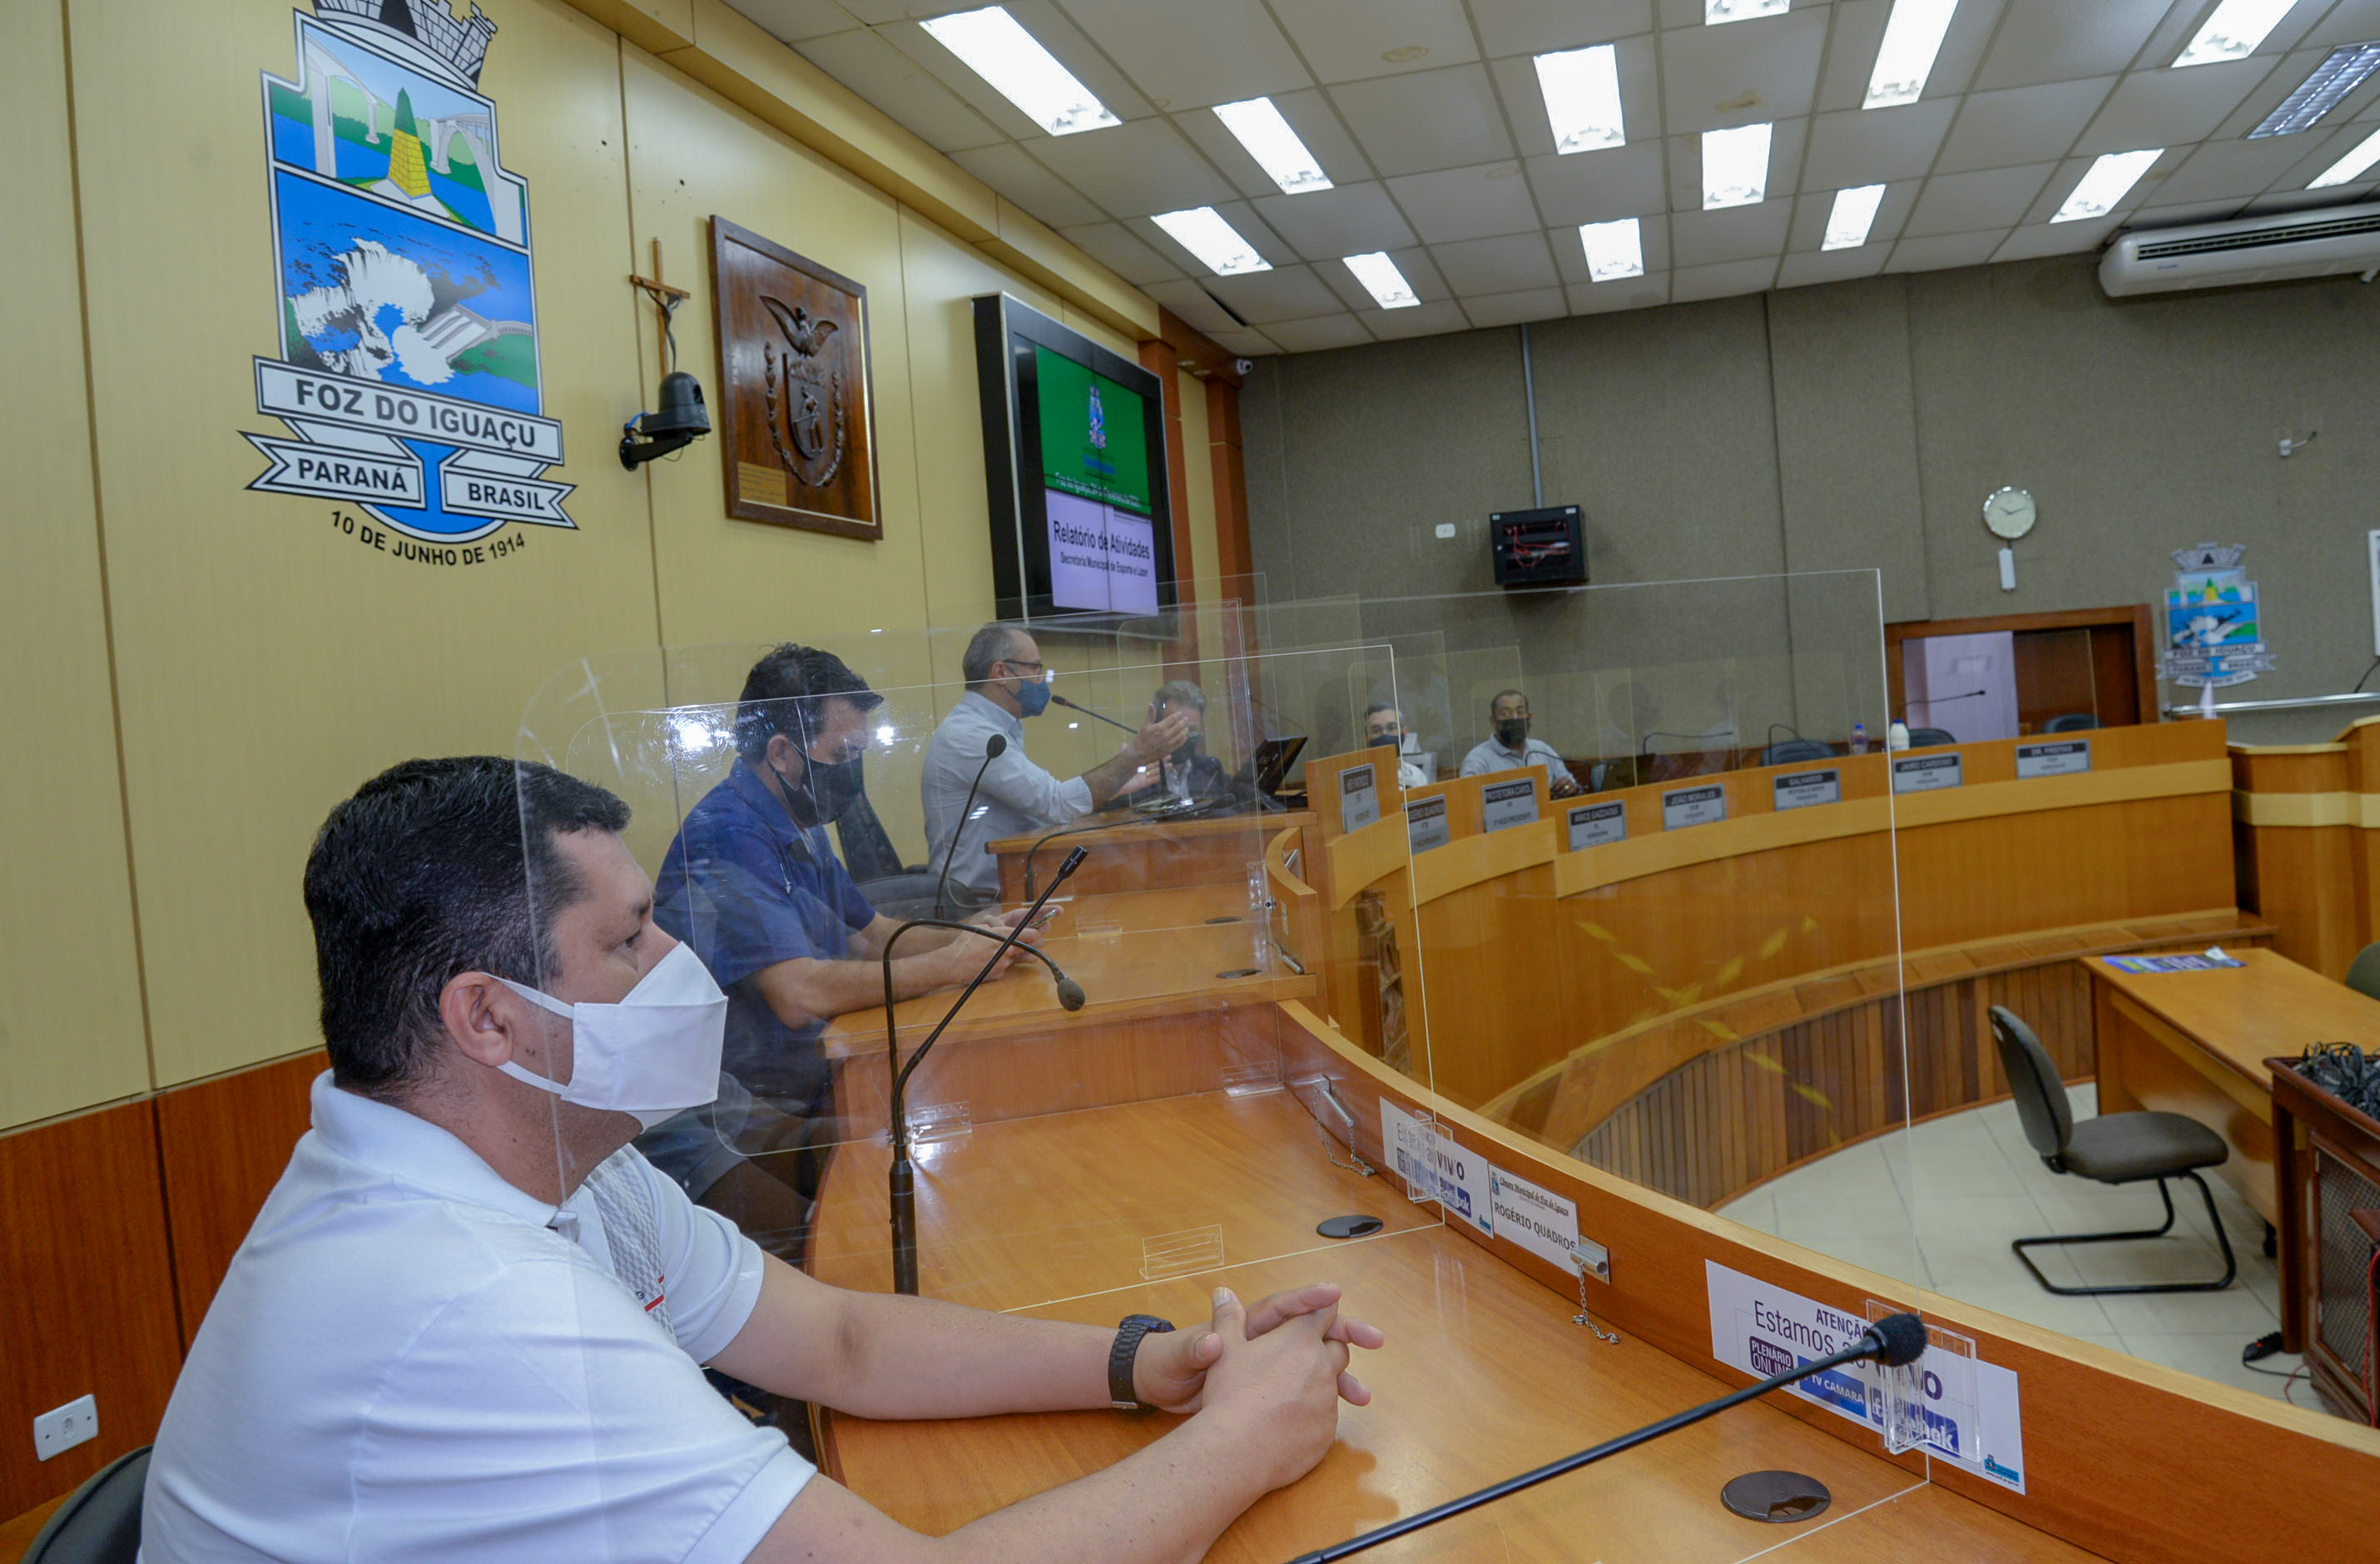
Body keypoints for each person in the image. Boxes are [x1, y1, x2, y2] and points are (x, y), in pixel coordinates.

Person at [142, 754, 1384, 1562]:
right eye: (630, 939)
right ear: (490, 1018)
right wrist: (1241, 1441)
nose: (678, 959)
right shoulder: (462, 1296)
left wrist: (1152, 1362)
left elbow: (837, 1339)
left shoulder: (554, 1156)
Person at [922, 623, 1191, 910]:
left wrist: (1115, 786)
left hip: (1012, 887)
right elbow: (1057, 804)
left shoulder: (993, 729)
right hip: (978, 904)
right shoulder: (973, 736)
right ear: (1000, 673)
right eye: (1035, 668)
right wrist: (1136, 754)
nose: (1042, 680)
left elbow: (1040, 809)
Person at [1460, 688, 1582, 797]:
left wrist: (1570, 789)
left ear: (1529, 716)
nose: (1514, 718)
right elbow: (1468, 805)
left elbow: (1572, 786)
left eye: (1520, 712)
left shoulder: (1542, 749)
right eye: (1505, 714)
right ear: (1493, 721)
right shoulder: (1477, 760)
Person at [1148, 678, 1232, 801]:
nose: (1184, 737)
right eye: (1176, 728)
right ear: (1156, 725)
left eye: (1192, 730)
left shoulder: (1209, 768)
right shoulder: (1139, 777)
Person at [1362, 701, 1431, 791]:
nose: (1385, 734)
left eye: (1391, 728)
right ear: (1366, 739)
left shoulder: (1416, 776)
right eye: (1376, 730)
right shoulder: (1360, 783)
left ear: (1405, 733)